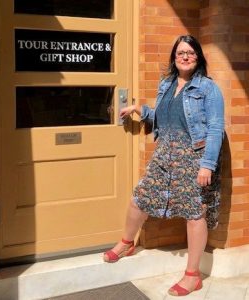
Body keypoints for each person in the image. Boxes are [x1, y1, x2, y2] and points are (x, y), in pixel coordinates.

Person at [103, 35, 225, 297]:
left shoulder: (208, 88)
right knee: (140, 199)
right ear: (174, 57)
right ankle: (127, 242)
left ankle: (193, 276)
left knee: (194, 214)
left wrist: (207, 165)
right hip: (164, 155)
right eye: (180, 52)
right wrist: (141, 110)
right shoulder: (167, 83)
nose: (185, 56)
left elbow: (215, 128)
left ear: (198, 57)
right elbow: (164, 115)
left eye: (190, 52)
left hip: (194, 157)